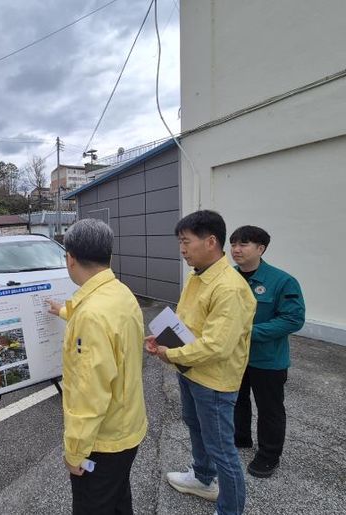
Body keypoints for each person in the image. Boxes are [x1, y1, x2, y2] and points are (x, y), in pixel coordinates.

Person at [145, 210, 256, 515]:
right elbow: (187, 323)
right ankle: (203, 478)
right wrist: (163, 339)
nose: (182, 249)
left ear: (210, 242)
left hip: (214, 381)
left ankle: (230, 509)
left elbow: (217, 346)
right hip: (191, 371)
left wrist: (170, 354)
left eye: (186, 241)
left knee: (222, 449)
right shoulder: (199, 275)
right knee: (195, 426)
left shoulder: (229, 287)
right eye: (180, 242)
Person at [47, 218, 147, 515]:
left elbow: (88, 394)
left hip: (104, 442)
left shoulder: (90, 315)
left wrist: (75, 451)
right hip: (127, 425)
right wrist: (64, 311)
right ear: (108, 255)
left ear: (70, 258)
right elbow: (106, 330)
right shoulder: (121, 293)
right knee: (118, 500)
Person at [230, 225, 305, 478]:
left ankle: (269, 455)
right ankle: (240, 438)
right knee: (236, 400)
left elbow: (293, 319)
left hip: (268, 359)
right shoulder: (229, 278)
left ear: (260, 249)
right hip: (235, 356)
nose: (236, 249)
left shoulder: (282, 281)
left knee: (269, 409)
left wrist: (248, 333)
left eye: (243, 244)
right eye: (233, 244)